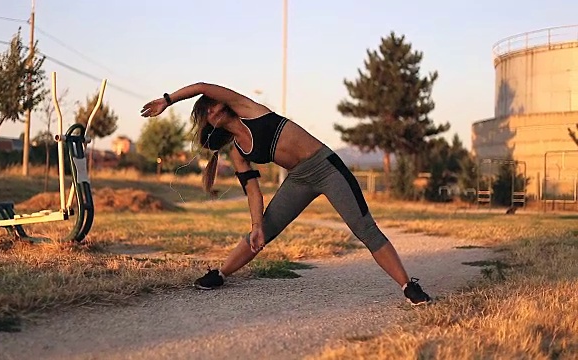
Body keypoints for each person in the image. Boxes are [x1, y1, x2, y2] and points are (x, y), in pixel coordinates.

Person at [140, 82, 432, 306]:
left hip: (327, 167)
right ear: (207, 121)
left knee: (365, 228)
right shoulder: (239, 153)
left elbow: (202, 87)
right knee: (262, 231)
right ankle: (220, 274)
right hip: (299, 180)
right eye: (207, 111)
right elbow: (254, 194)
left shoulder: (247, 108)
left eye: (214, 104)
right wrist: (256, 226)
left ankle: (409, 286)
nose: (213, 109)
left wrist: (167, 101)